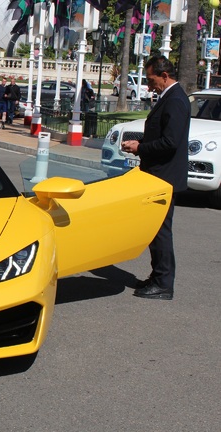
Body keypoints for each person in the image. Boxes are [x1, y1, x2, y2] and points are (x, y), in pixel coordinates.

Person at [121, 56, 190, 301]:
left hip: (164, 177)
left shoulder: (176, 100)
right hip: (158, 175)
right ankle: (158, 276)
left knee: (160, 231)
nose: (149, 86)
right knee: (155, 230)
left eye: (151, 80)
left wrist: (140, 148)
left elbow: (170, 142)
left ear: (164, 75)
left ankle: (163, 283)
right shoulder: (171, 98)